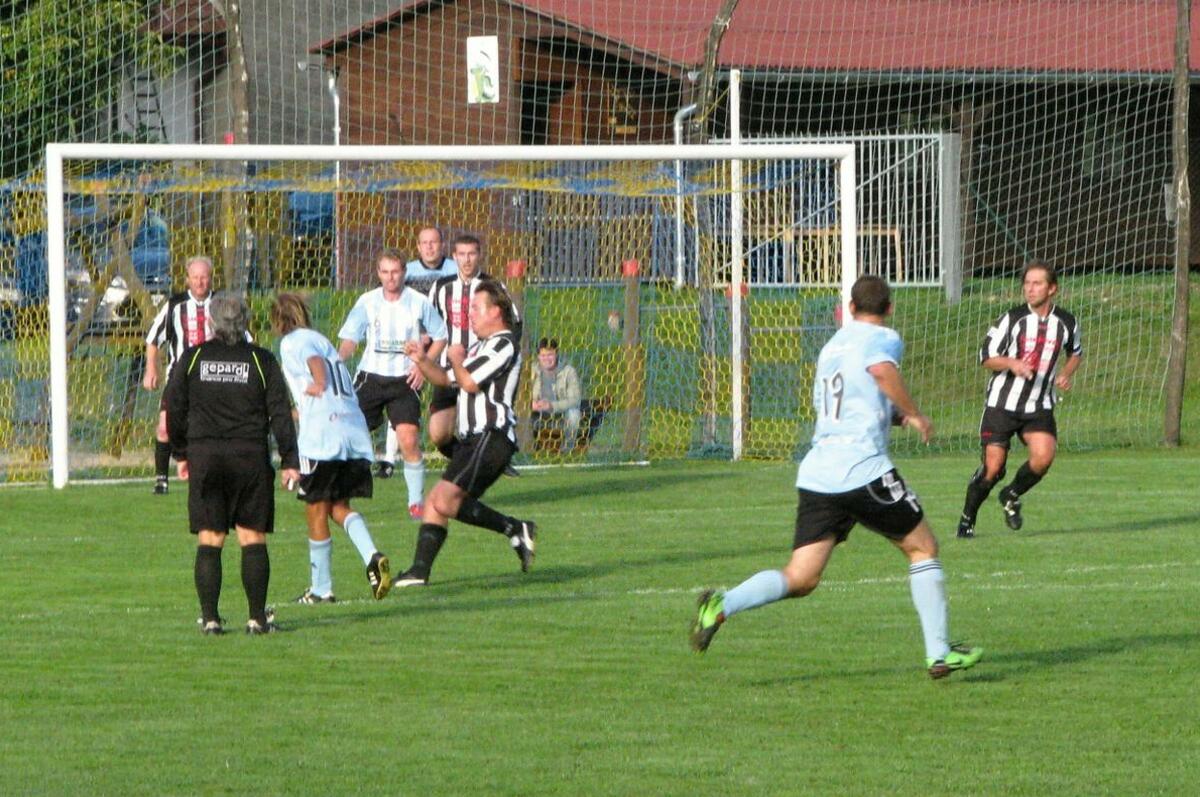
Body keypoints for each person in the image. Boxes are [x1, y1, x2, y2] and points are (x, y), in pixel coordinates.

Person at [689, 275, 983, 680]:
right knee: (923, 548)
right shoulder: (883, 337)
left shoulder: (831, 347)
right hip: (862, 469)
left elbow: (846, 403)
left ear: (850, 307)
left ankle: (722, 604)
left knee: (801, 577)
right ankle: (938, 653)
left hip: (819, 473)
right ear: (889, 308)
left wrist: (895, 418)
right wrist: (915, 414)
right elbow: (881, 371)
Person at [166, 293, 300, 635]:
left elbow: (174, 409)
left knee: (210, 537)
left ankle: (210, 619)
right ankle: (256, 619)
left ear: (211, 321)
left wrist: (181, 453)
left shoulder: (194, 358)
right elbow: (280, 412)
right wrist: (290, 459)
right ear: (246, 322)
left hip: (206, 457)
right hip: (249, 458)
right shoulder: (261, 360)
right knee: (251, 536)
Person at [392, 279, 536, 588]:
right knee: (436, 501)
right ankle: (419, 571)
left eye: (476, 308)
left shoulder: (504, 343)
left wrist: (457, 360)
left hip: (492, 435)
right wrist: (421, 360)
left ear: (496, 311)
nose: (470, 314)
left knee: (443, 500)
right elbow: (446, 379)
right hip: (474, 440)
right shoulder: (480, 346)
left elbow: (469, 383)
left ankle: (514, 527)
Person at [271, 293, 391, 604]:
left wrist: (318, 380)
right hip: (353, 430)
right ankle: (373, 555)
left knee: (315, 508)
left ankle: (321, 589)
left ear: (278, 320)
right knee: (338, 506)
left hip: (324, 437)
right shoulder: (323, 341)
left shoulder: (294, 341)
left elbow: (314, 365)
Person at [956, 260, 1082, 538]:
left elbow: (1075, 352)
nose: (1030, 289)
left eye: (1037, 283)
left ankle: (1011, 495)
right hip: (1002, 404)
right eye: (1027, 283)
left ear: (1052, 289)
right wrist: (1012, 363)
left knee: (1044, 457)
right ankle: (967, 519)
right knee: (993, 468)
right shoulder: (1011, 319)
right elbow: (986, 357)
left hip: (1039, 405)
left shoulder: (1067, 322)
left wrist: (1065, 374)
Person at [337, 249, 448, 520]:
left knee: (408, 439)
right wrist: (336, 362)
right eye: (385, 272)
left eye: (395, 272)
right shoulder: (367, 301)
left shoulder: (418, 302)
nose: (390, 277)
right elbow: (350, 339)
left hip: (404, 379)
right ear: (378, 273)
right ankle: (338, 492)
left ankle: (416, 502)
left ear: (404, 273)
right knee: (348, 434)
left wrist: (422, 365)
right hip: (371, 377)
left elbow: (441, 336)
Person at [426, 234, 520, 467]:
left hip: (481, 370)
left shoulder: (493, 287)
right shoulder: (441, 287)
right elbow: (429, 325)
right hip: (449, 369)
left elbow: (514, 322)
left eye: (471, 254)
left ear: (479, 255)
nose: (467, 260)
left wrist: (502, 356)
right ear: (454, 256)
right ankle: (476, 460)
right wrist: (425, 358)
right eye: (462, 254)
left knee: (482, 423)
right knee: (438, 434)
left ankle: (488, 458)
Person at [377, 226, 458, 474]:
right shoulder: (407, 271)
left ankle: (471, 449)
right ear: (418, 246)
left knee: (460, 390)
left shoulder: (455, 270)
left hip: (448, 341)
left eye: (434, 242)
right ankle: (389, 459)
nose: (430, 247)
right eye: (425, 243)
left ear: (442, 244)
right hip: (413, 344)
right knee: (402, 392)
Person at [142, 255, 216, 495]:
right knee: (165, 427)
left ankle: (212, 475)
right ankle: (161, 480)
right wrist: (151, 369)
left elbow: (245, 338)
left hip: (213, 378)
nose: (200, 282)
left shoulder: (221, 303)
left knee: (213, 429)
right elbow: (153, 339)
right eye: (195, 277)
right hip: (179, 378)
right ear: (187, 279)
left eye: (204, 277)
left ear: (211, 278)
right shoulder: (175, 305)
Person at [530, 337, 582, 453]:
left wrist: (552, 406)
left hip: (560, 415)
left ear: (557, 354)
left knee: (574, 414)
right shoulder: (531, 370)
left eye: (550, 355)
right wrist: (530, 404)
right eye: (543, 355)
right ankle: (527, 450)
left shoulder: (568, 371)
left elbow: (575, 400)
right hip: (537, 414)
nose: (546, 359)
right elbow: (520, 394)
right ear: (538, 356)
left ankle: (567, 451)